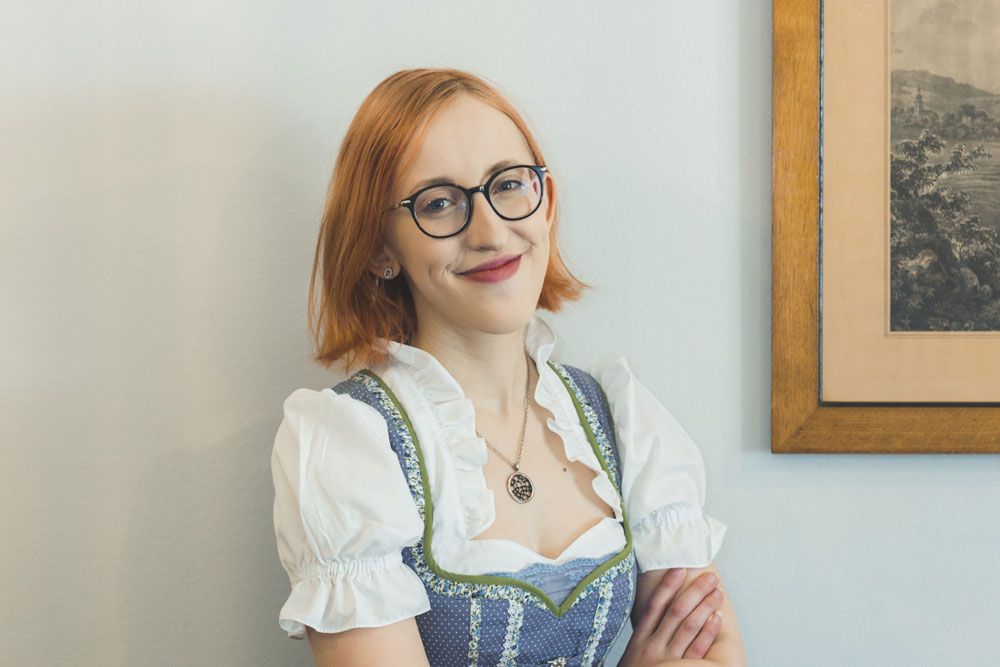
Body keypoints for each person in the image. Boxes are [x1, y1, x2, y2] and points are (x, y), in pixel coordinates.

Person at [270, 67, 747, 667]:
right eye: (438, 202)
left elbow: (713, 650)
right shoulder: (350, 447)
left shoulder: (621, 420)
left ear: (547, 204)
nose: (492, 231)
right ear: (379, 248)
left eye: (509, 184)